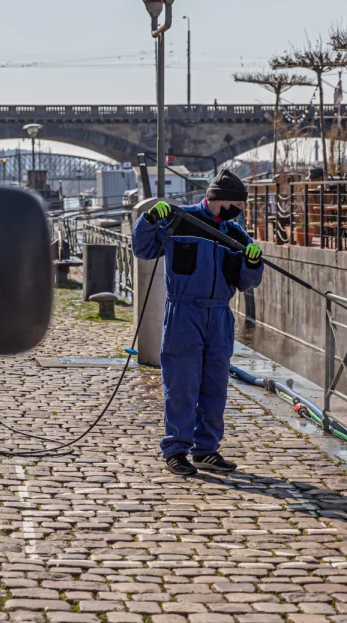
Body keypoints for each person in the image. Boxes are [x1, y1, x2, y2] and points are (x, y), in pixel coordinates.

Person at [131, 169, 264, 476]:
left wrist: (253, 263)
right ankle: (177, 449)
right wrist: (150, 220)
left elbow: (246, 282)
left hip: (218, 315)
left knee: (214, 386)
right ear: (221, 200)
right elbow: (143, 248)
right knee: (181, 384)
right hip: (184, 312)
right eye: (238, 204)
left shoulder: (236, 235)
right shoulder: (180, 221)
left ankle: (206, 449)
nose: (241, 210)